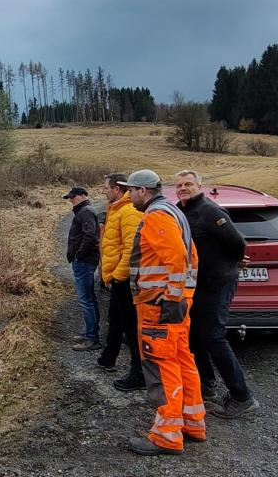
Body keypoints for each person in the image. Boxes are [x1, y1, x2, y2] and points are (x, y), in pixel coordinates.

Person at [125, 169, 206, 456]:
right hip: (174, 303)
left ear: (143, 190)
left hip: (159, 305)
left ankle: (167, 436)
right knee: (182, 359)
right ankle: (192, 423)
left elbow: (177, 258)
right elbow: (191, 256)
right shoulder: (174, 212)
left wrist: (171, 298)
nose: (129, 195)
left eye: (131, 190)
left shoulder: (157, 215)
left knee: (162, 365)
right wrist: (182, 297)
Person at [174, 170, 259, 419]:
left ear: (199, 185)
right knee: (196, 334)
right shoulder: (182, 210)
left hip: (217, 283)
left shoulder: (210, 211)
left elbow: (237, 241)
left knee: (214, 337)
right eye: (179, 185)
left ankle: (242, 397)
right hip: (198, 284)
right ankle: (206, 385)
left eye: (188, 183)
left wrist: (232, 262)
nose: (183, 188)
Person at [97, 173, 145, 390]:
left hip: (124, 280)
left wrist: (118, 276)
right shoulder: (116, 208)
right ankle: (108, 357)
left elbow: (131, 249)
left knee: (131, 327)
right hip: (116, 278)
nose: (104, 191)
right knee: (115, 320)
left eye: (106, 187)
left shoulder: (129, 212)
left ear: (117, 189)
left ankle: (139, 374)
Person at [63, 185, 101, 351]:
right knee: (89, 298)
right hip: (84, 260)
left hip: (84, 261)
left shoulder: (85, 212)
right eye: (71, 197)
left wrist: (78, 255)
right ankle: (89, 332)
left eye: (73, 197)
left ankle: (92, 338)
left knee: (86, 300)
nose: (71, 200)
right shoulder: (83, 211)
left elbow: (90, 236)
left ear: (83, 196)